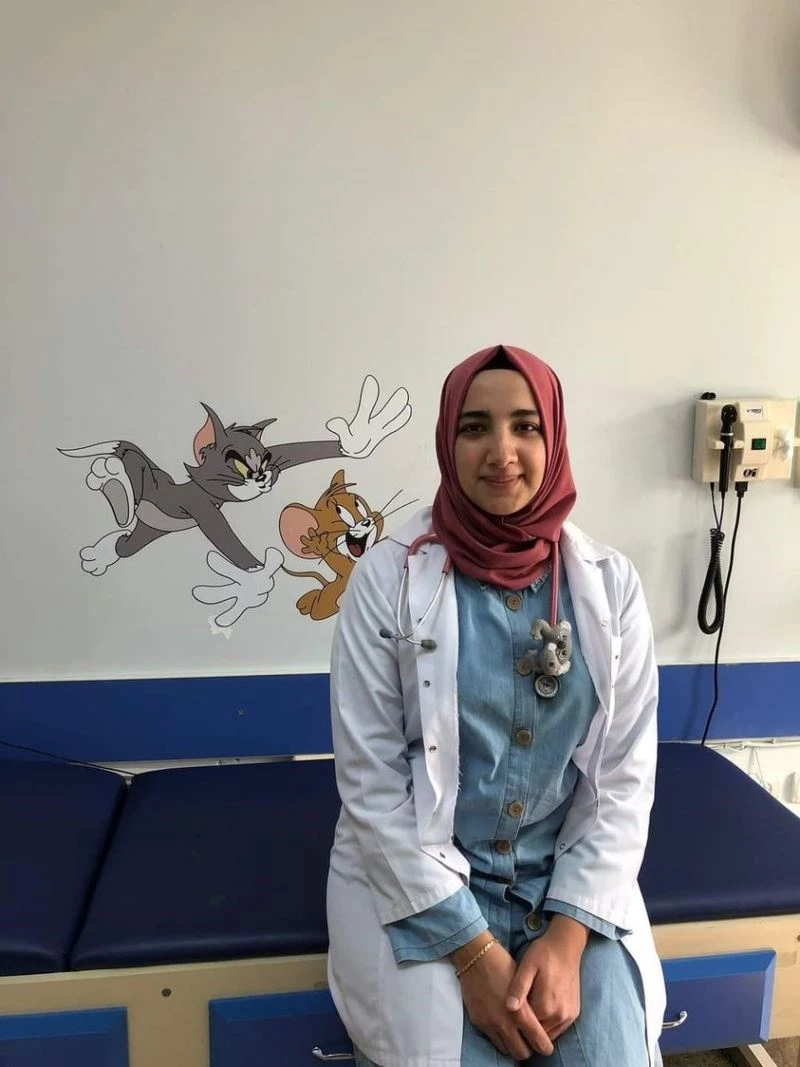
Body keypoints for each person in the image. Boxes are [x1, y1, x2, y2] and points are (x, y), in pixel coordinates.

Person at [326, 345, 666, 1066]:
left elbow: (623, 779)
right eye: (475, 427)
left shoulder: (610, 585)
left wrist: (569, 936)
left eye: (526, 426)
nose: (502, 451)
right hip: (423, 879)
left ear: (555, 438)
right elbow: (371, 783)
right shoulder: (387, 579)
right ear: (447, 441)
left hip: (563, 883)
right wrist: (473, 953)